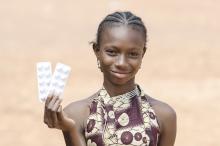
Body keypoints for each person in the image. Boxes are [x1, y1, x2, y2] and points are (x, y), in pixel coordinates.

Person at [43, 11, 177, 146]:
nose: (121, 63)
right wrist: (70, 129)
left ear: (143, 54)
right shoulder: (76, 114)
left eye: (133, 54)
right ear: (97, 51)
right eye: (112, 52)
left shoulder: (163, 115)